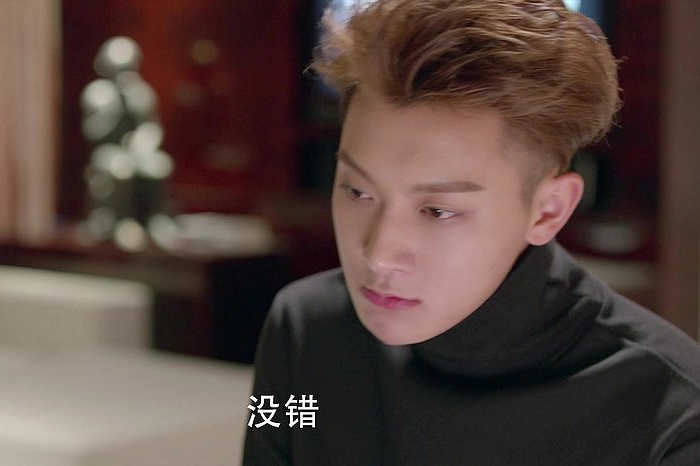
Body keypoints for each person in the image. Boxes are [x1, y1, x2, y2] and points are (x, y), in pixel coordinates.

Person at [242, 0, 700, 464]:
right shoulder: (304, 331)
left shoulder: (670, 413)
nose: (379, 255)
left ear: (548, 211)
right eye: (357, 191)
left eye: (438, 211)